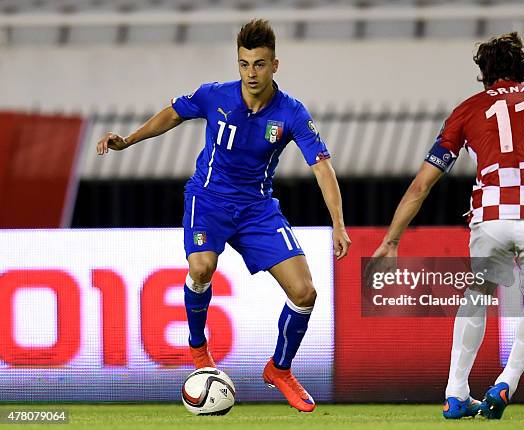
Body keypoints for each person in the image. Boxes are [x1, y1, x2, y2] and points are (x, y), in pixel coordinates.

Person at [96, 19, 351, 413]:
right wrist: (128, 140)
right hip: (209, 199)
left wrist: (338, 223)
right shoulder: (215, 96)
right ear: (238, 64)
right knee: (201, 267)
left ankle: (279, 370)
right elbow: (173, 113)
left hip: (257, 209)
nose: (251, 73)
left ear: (275, 65)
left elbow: (322, 167)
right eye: (245, 64)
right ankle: (199, 350)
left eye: (260, 64)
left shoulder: (292, 113)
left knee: (305, 293)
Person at [371, 32, 524, 419]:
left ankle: (456, 392)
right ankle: (507, 382)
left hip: (491, 217)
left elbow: (422, 184)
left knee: (477, 293)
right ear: (523, 69)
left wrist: (391, 241)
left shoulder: (467, 110)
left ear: (483, 74)